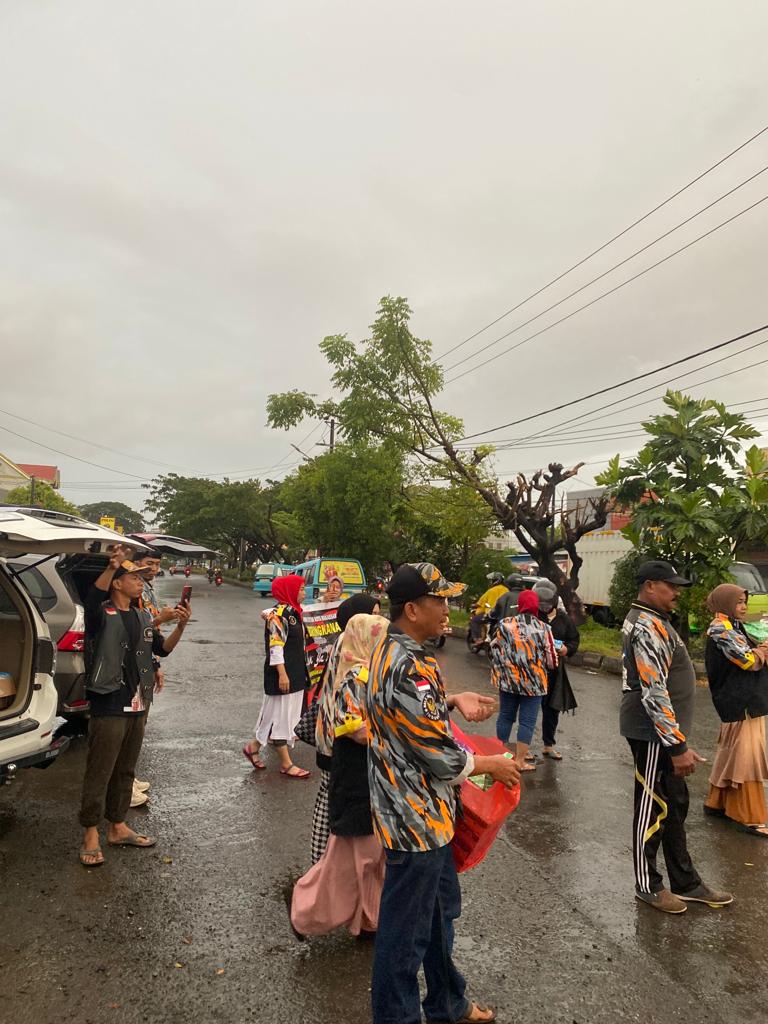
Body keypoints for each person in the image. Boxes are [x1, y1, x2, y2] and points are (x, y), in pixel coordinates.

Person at [366, 562, 520, 1024]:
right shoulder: (409, 664)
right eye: (440, 601)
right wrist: (491, 764)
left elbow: (411, 720)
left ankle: (447, 1001)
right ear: (412, 609)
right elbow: (438, 754)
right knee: (405, 935)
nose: (448, 609)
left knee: (437, 917)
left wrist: (450, 700)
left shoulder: (395, 651)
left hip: (419, 813)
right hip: (416, 820)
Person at [620, 560, 733, 914]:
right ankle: (647, 885)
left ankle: (686, 882)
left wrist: (678, 739)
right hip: (652, 734)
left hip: (664, 734)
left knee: (674, 805)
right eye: (671, 587)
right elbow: (653, 691)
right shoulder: (646, 626)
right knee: (652, 808)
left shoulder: (657, 622)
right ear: (650, 586)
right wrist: (676, 744)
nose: (676, 593)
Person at [78, 548, 190, 867]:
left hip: (139, 703)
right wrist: (112, 566)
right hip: (110, 702)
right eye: (133, 577)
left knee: (126, 769)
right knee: (100, 770)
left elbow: (162, 649)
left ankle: (117, 825)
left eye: (142, 578)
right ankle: (90, 833)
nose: (141, 582)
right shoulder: (100, 614)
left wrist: (180, 625)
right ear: (116, 584)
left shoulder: (142, 616)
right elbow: (92, 597)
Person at [291, 613, 389, 937]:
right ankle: (304, 915)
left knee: (369, 860)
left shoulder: (370, 672)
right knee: (354, 862)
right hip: (357, 779)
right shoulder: (355, 677)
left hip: (368, 778)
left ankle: (369, 920)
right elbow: (354, 728)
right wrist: (398, 737)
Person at [311, 592, 381, 864]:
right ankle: (322, 867)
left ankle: (320, 863)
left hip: (328, 735)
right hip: (338, 739)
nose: (377, 621)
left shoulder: (345, 642)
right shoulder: (352, 646)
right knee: (333, 805)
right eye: (372, 616)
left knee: (327, 801)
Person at [702, 583, 768, 836]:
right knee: (747, 758)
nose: (744, 607)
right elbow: (748, 661)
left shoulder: (731, 625)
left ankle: (717, 803)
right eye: (739, 602)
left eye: (744, 602)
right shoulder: (721, 629)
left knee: (732, 751)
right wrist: (763, 650)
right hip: (741, 701)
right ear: (726, 602)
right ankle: (748, 816)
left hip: (742, 700)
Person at [243, 574, 310, 778]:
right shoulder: (278, 616)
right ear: (289, 590)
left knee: (277, 715)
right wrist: (282, 674)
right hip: (283, 673)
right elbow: (276, 647)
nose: (304, 592)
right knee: (280, 716)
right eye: (300, 589)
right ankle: (286, 763)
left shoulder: (295, 612)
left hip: (296, 672)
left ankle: (253, 747)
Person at [130, 547, 183, 807]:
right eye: (147, 564)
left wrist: (156, 664)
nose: (152, 570)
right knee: (129, 730)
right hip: (129, 671)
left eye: (155, 565)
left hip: (147, 661)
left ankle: (128, 776)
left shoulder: (147, 589)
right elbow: (133, 634)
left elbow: (155, 639)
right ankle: (123, 784)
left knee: (139, 726)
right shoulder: (127, 597)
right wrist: (160, 618)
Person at [490, 589, 557, 772]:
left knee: (505, 716)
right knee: (527, 721)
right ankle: (519, 761)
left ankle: (502, 756)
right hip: (533, 684)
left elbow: (494, 647)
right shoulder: (544, 628)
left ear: (520, 605)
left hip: (508, 680)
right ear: (536, 605)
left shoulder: (504, 624)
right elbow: (551, 660)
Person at [533, 580, 579, 760]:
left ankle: (548, 745)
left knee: (552, 708)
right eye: (540, 604)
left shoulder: (563, 618)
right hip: (534, 671)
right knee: (530, 709)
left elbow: (574, 639)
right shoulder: (533, 616)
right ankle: (524, 747)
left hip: (555, 672)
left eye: (547, 604)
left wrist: (567, 649)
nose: (544, 608)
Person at [469, 572, 507, 648]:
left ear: (495, 581)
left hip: (491, 615)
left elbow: (479, 603)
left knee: (474, 620)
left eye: (492, 580)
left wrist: (473, 605)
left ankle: (478, 639)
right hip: (504, 615)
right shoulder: (507, 590)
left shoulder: (491, 591)